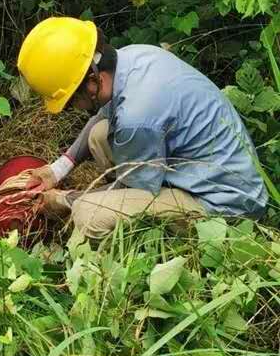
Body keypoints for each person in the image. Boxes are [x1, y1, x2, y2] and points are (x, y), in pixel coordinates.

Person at [17, 17, 268, 242]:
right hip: (201, 168)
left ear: (93, 82)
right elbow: (101, 117)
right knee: (99, 134)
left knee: (89, 214)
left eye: (71, 100)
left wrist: (65, 200)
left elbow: (137, 188)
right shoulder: (132, 58)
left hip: (226, 205)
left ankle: (145, 243)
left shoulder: (136, 117)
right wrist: (56, 170)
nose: (72, 108)